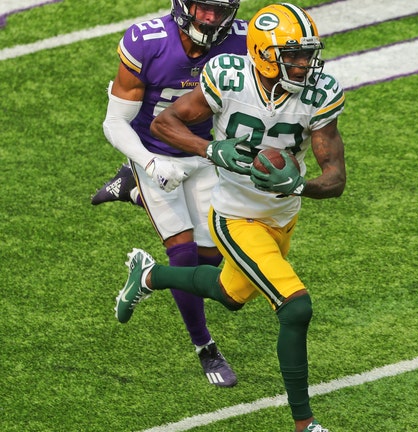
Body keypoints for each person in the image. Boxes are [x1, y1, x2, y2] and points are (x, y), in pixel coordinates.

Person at [115, 3, 344, 431]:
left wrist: (297, 186)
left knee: (229, 293)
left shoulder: (320, 92)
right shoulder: (229, 77)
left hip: (282, 216)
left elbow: (336, 180)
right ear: (261, 54)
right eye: (291, 55)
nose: (302, 64)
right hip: (235, 215)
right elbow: (165, 123)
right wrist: (210, 149)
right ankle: (305, 423)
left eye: (306, 54)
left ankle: (148, 276)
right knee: (296, 308)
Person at [103, 0, 248, 387]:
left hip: (204, 153)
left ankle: (145, 265)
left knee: (213, 253)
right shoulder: (147, 41)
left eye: (219, 10)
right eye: (203, 8)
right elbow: (115, 121)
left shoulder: (244, 41)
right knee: (183, 254)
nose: (210, 18)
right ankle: (206, 348)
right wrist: (148, 164)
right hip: (154, 154)